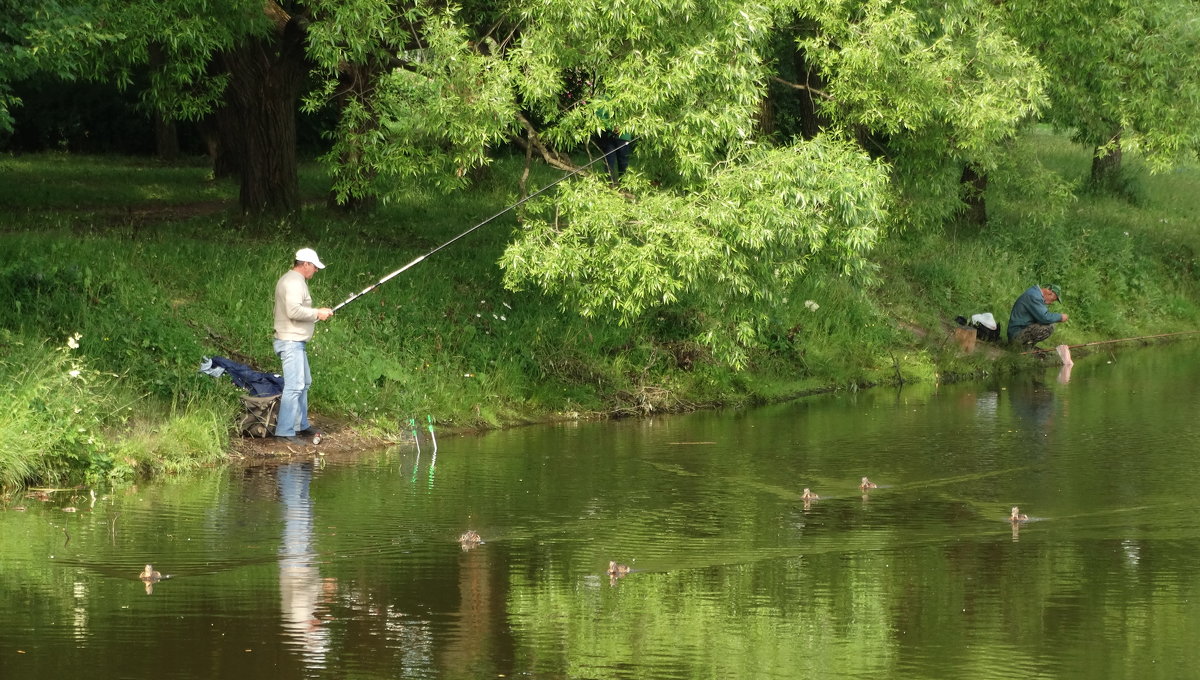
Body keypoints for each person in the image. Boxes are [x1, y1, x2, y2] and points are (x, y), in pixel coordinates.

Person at [273, 248, 333, 444]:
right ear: (305, 264)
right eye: (314, 266)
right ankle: (285, 431)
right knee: (294, 386)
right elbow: (293, 311)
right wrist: (317, 313)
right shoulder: (292, 282)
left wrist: (316, 313)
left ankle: (301, 425)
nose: (316, 270)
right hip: (290, 341)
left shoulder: (296, 281)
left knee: (304, 383)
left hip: (296, 341)